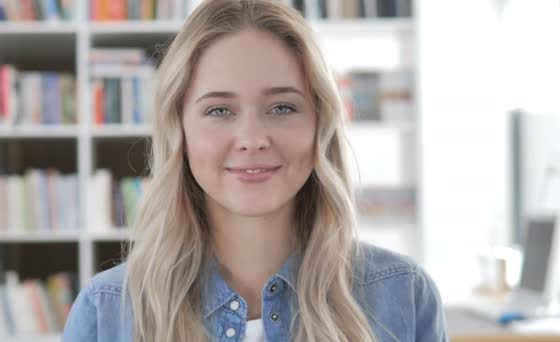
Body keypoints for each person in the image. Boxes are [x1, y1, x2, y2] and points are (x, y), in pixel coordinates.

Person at [62, 0, 448, 341]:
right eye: (218, 110)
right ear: (179, 129)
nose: (251, 139)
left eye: (282, 107)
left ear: (320, 124)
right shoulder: (106, 312)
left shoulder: (403, 294)